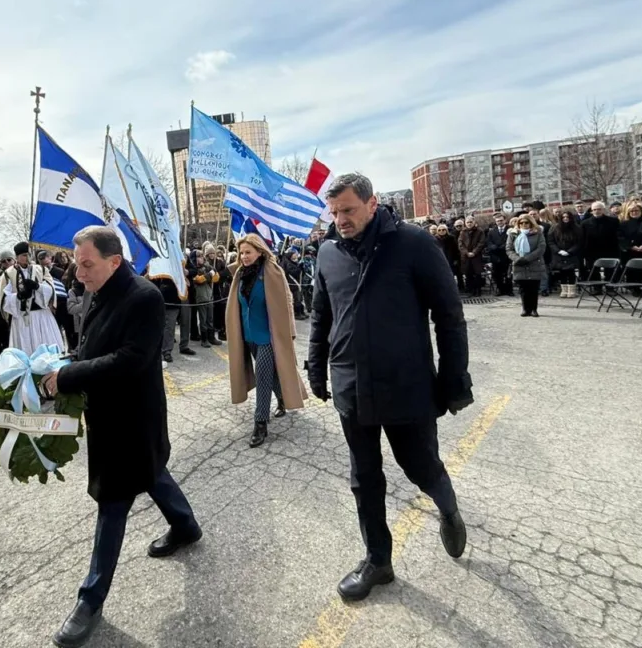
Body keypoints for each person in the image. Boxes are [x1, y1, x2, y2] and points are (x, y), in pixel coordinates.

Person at [307, 174, 472, 603]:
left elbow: (449, 315)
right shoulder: (327, 253)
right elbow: (322, 317)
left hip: (406, 384)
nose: (340, 219)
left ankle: (449, 510)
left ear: (372, 203)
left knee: (420, 465)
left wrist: (455, 380)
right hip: (351, 386)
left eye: (348, 210)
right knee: (364, 477)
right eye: (334, 211)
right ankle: (378, 560)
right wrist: (316, 369)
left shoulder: (413, 244)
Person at [42, 227, 201, 648]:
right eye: (77, 263)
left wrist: (70, 375)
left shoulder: (143, 296)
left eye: (86, 263)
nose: (79, 272)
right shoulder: (103, 290)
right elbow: (93, 346)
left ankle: (89, 601)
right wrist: (60, 365)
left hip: (133, 419)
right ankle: (186, 526)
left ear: (114, 261)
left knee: (112, 503)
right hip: (109, 416)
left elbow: (132, 359)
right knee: (152, 474)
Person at [226, 233, 306, 447]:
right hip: (249, 336)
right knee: (270, 374)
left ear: (259, 251)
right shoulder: (240, 275)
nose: (244, 256)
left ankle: (260, 423)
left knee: (262, 376)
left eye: (248, 252)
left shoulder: (272, 272)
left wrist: (288, 331)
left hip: (268, 337)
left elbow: (286, 303)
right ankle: (282, 397)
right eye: (241, 252)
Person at [0, 243, 64, 359]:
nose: (27, 257)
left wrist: (37, 287)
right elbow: (4, 299)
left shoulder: (41, 270)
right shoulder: (8, 274)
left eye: (29, 254)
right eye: (24, 255)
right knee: (26, 352)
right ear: (17, 257)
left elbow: (51, 290)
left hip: (42, 317)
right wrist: (18, 296)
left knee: (47, 351)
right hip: (22, 318)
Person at [507, 214, 547, 317]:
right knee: (523, 288)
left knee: (533, 288)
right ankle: (525, 309)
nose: (524, 225)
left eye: (526, 222)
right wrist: (517, 258)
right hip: (519, 264)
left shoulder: (538, 233)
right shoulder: (513, 234)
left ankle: (534, 309)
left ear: (531, 223)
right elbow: (509, 249)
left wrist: (527, 258)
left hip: (534, 263)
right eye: (521, 223)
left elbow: (541, 248)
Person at [155, 275, 193, 366]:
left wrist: (187, 272)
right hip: (170, 296)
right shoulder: (164, 261)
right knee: (170, 326)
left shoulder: (188, 261)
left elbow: (194, 271)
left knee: (186, 322)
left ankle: (184, 346)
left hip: (184, 295)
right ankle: (166, 351)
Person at [188, 247, 221, 348]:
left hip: (209, 296)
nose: (201, 258)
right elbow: (199, 280)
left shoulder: (207, 267)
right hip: (201, 297)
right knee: (203, 319)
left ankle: (211, 337)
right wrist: (209, 276)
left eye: (202, 256)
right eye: (199, 256)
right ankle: (204, 339)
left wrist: (211, 274)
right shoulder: (194, 269)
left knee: (210, 319)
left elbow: (216, 278)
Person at [548, 211, 582, 298]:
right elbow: (551, 241)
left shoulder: (576, 228)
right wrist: (558, 251)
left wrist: (570, 251)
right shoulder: (554, 228)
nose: (565, 219)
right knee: (562, 272)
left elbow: (579, 242)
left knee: (571, 272)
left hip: (571, 254)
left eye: (567, 217)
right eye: (563, 217)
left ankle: (571, 291)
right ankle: (564, 290)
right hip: (559, 254)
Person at [582, 201, 621, 272]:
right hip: (592, 252)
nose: (597, 211)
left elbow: (618, 236)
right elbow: (583, 239)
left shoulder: (613, 221)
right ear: (591, 211)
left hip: (610, 251)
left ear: (603, 209)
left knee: (610, 273)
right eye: (594, 209)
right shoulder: (585, 223)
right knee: (593, 274)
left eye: (599, 209)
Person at [458, 216, 485, 297]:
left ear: (474, 222)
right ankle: (471, 290)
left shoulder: (480, 231)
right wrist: (466, 252)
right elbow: (460, 244)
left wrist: (474, 252)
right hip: (466, 257)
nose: (469, 224)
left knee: (477, 274)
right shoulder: (463, 232)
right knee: (468, 274)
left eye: (471, 222)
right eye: (467, 222)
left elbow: (481, 243)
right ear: (465, 223)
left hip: (476, 256)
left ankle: (478, 290)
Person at [485, 214, 513, 296]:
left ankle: (509, 290)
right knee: (497, 274)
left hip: (506, 255)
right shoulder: (492, 231)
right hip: (495, 256)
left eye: (501, 220)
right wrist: (493, 247)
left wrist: (503, 247)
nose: (499, 222)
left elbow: (511, 240)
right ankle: (500, 290)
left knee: (508, 274)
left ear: (504, 220)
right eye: (497, 221)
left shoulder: (510, 230)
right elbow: (488, 242)